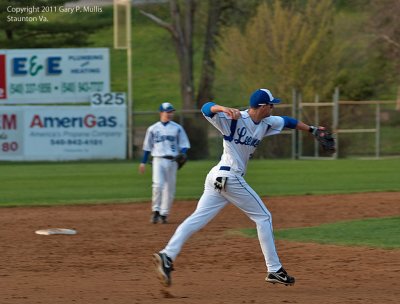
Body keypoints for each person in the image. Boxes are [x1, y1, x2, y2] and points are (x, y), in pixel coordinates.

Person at [153, 88, 330, 287]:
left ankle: (167, 255)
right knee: (263, 217)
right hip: (229, 176)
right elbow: (206, 108)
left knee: (197, 218)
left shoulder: (266, 122)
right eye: (272, 104)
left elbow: (288, 121)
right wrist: (223, 108)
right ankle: (274, 269)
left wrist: (312, 130)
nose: (274, 107)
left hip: (218, 178)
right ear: (263, 106)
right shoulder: (234, 119)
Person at [139, 102, 190, 224]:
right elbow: (147, 147)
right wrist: (143, 162)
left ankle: (164, 214)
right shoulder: (152, 128)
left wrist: (182, 153)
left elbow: (185, 144)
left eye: (171, 111)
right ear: (161, 113)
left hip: (172, 161)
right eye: (167, 112)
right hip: (158, 160)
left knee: (169, 188)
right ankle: (155, 210)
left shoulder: (177, 128)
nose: (170, 114)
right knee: (157, 185)